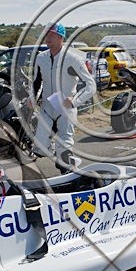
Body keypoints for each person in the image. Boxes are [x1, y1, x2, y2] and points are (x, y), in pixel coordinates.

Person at [32, 23, 96, 173]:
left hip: (66, 109)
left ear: (61, 37)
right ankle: (61, 156)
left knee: (65, 149)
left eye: (52, 35)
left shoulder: (73, 59)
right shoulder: (41, 58)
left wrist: (75, 101)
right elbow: (36, 82)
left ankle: (68, 165)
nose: (48, 38)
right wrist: (32, 98)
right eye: (46, 35)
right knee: (40, 147)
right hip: (48, 107)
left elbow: (91, 85)